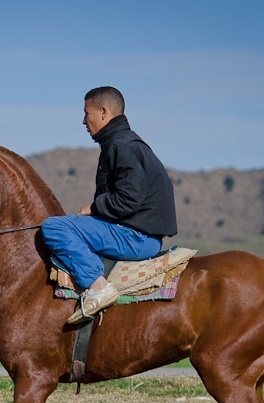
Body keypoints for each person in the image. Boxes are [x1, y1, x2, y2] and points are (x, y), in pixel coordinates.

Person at [41, 86, 178, 324]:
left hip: (136, 237)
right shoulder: (124, 143)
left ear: (103, 112)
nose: (83, 121)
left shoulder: (120, 145)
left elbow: (129, 199)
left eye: (87, 113)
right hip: (138, 234)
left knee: (55, 227)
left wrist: (93, 208)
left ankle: (98, 288)